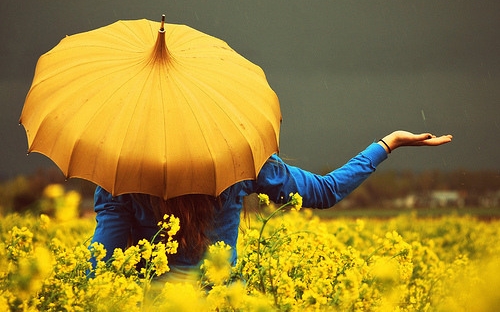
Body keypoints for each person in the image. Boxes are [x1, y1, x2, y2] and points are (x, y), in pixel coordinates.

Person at [90, 130, 452, 282]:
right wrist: (387, 144)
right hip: (224, 301)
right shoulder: (240, 162)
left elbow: (101, 260)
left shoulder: (119, 178)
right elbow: (325, 191)